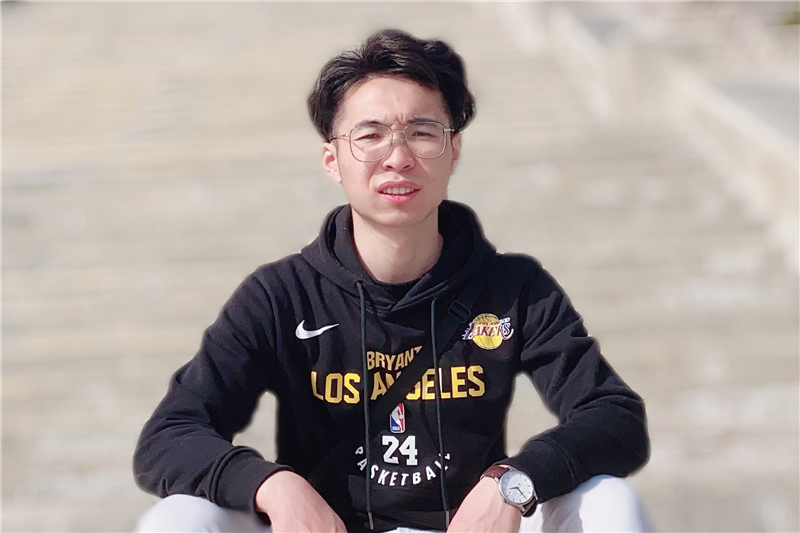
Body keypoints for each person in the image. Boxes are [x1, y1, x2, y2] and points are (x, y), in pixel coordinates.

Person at [133, 29, 651, 533]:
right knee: (176, 520)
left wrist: (513, 482)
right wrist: (272, 485)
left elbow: (615, 415)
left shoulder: (513, 288)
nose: (398, 158)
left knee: (610, 501)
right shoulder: (280, 297)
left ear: (454, 151)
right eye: (370, 135)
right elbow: (169, 435)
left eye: (422, 133)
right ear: (332, 159)